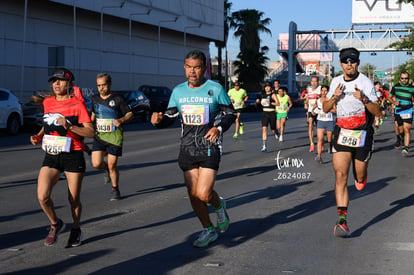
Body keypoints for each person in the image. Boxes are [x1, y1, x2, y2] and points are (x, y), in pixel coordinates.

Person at [151, 50, 236, 247]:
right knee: (193, 195)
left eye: (196, 67)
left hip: (209, 146)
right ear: (184, 67)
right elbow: (170, 117)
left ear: (204, 68)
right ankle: (208, 229)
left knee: (204, 193)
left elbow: (230, 113)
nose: (192, 71)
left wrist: (218, 127)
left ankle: (218, 204)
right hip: (187, 148)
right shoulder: (178, 91)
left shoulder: (215, 89)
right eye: (189, 67)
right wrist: (159, 120)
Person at [30, 68, 94, 247]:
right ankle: (55, 223)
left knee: (73, 199)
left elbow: (90, 132)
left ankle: (75, 229)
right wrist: (39, 135)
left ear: (70, 84)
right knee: (42, 196)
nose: (56, 84)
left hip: (73, 154)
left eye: (61, 81)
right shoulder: (48, 102)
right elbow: (48, 122)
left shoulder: (77, 105)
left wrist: (70, 126)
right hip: (51, 154)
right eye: (54, 81)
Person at [323, 47, 380, 237]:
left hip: (362, 133)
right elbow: (325, 107)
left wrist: (363, 99)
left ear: (357, 63)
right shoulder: (336, 82)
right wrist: (334, 97)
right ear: (340, 63)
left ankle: (360, 175)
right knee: (340, 175)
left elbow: (377, 111)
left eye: (353, 61)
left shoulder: (365, 82)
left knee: (361, 177)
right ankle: (342, 221)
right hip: (342, 132)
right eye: (346, 61)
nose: (349, 64)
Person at [91, 73, 133, 201]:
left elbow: (129, 114)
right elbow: (93, 114)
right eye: (99, 86)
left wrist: (121, 120)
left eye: (103, 85)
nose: (101, 88)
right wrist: (87, 125)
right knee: (96, 163)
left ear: (109, 84)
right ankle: (107, 171)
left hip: (114, 137)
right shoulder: (95, 98)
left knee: (112, 164)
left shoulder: (118, 99)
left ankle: (115, 189)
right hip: (100, 136)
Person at [389, 72, 414, 156]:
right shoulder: (395, 87)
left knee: (407, 129)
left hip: (408, 110)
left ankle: (405, 148)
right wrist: (394, 102)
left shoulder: (412, 88)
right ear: (400, 79)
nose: (404, 80)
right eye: (402, 78)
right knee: (401, 130)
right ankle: (402, 138)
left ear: (408, 79)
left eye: (406, 78)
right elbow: (389, 97)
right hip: (398, 111)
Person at [312, 85, 335, 163]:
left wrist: (327, 109)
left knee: (329, 139)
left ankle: (330, 146)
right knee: (320, 139)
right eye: (322, 91)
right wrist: (313, 110)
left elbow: (335, 110)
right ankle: (319, 156)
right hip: (321, 121)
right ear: (320, 91)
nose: (324, 92)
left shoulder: (330, 100)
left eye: (326, 91)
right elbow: (315, 105)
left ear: (328, 92)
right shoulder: (318, 100)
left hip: (329, 121)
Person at [256, 82, 279, 152]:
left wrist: (272, 103)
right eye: (266, 87)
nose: (267, 88)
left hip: (272, 113)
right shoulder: (262, 95)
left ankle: (275, 132)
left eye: (268, 87)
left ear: (270, 88)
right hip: (265, 113)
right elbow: (260, 102)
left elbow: (278, 103)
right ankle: (264, 146)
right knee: (264, 129)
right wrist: (258, 102)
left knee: (273, 129)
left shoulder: (273, 95)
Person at [304, 76, 321, 152]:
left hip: (319, 111)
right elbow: (307, 98)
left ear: (318, 82)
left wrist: (319, 96)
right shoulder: (309, 89)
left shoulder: (320, 89)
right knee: (310, 125)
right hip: (310, 111)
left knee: (319, 129)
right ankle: (311, 143)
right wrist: (305, 103)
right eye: (312, 81)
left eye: (315, 81)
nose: (314, 83)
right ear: (310, 82)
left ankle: (320, 142)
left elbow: (325, 97)